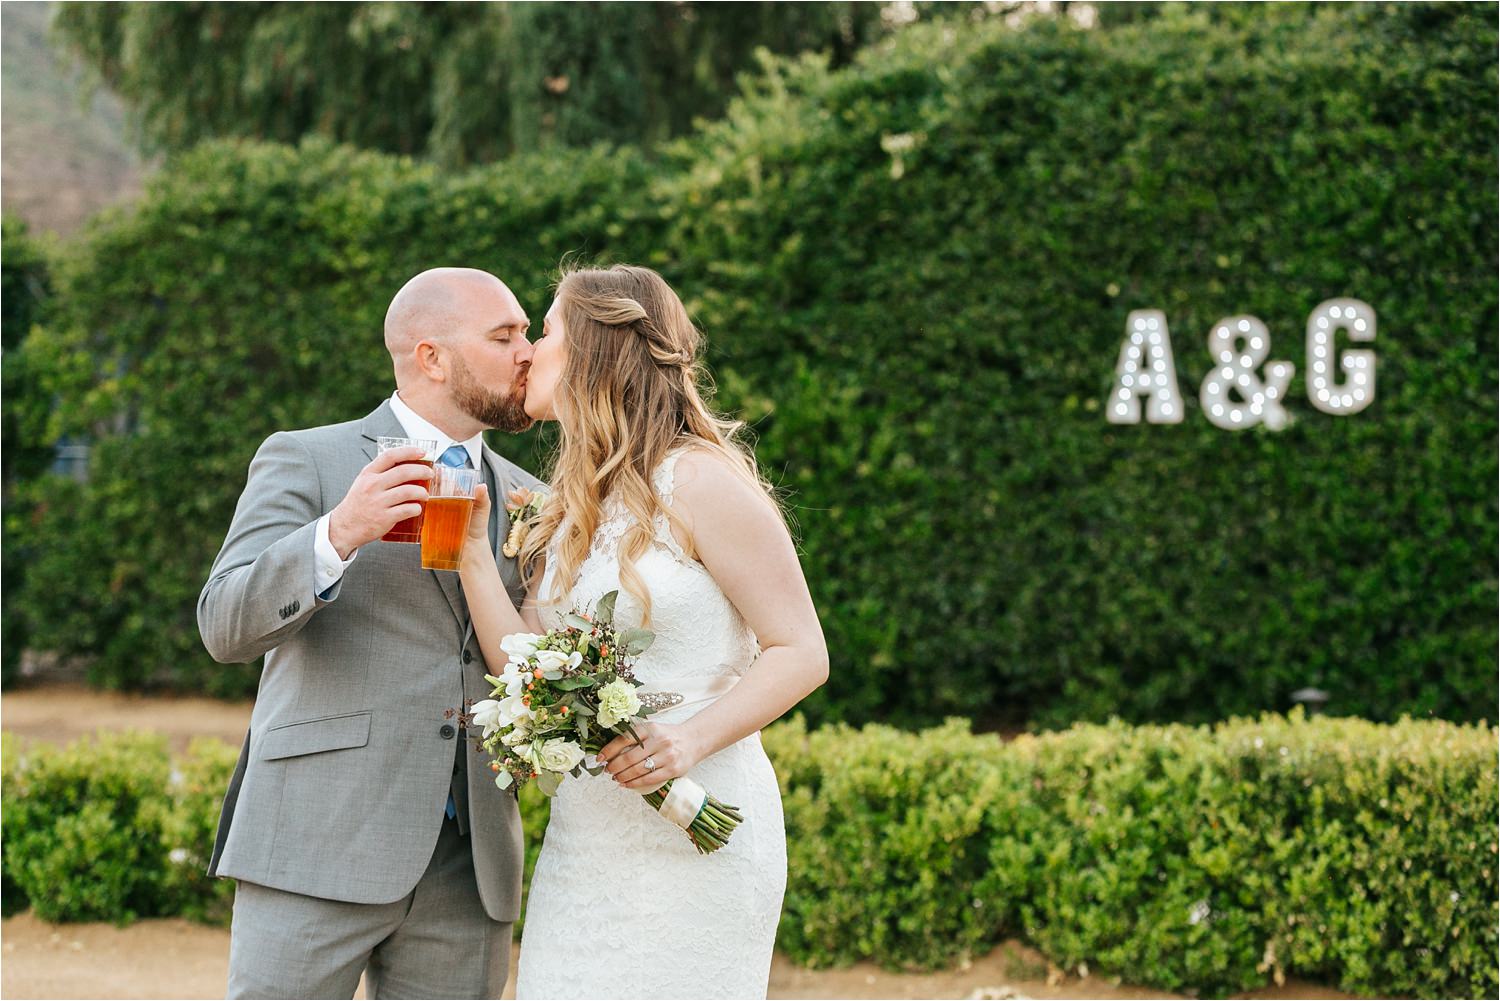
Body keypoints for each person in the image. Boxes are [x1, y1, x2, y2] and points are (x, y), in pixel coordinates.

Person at [458, 264, 829, 999]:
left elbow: (802, 651)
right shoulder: (566, 507)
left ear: (596, 351)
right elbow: (526, 664)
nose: (529, 348)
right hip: (587, 844)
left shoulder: (702, 481)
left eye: (547, 330)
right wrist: (470, 556)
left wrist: (687, 740)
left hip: (698, 832)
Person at [198, 267, 542, 999]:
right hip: (314, 840)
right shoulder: (308, 458)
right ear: (432, 357)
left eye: (527, 332)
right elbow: (224, 624)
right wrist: (337, 533)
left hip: (470, 863)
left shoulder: (533, 500)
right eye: (504, 334)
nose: (529, 350)